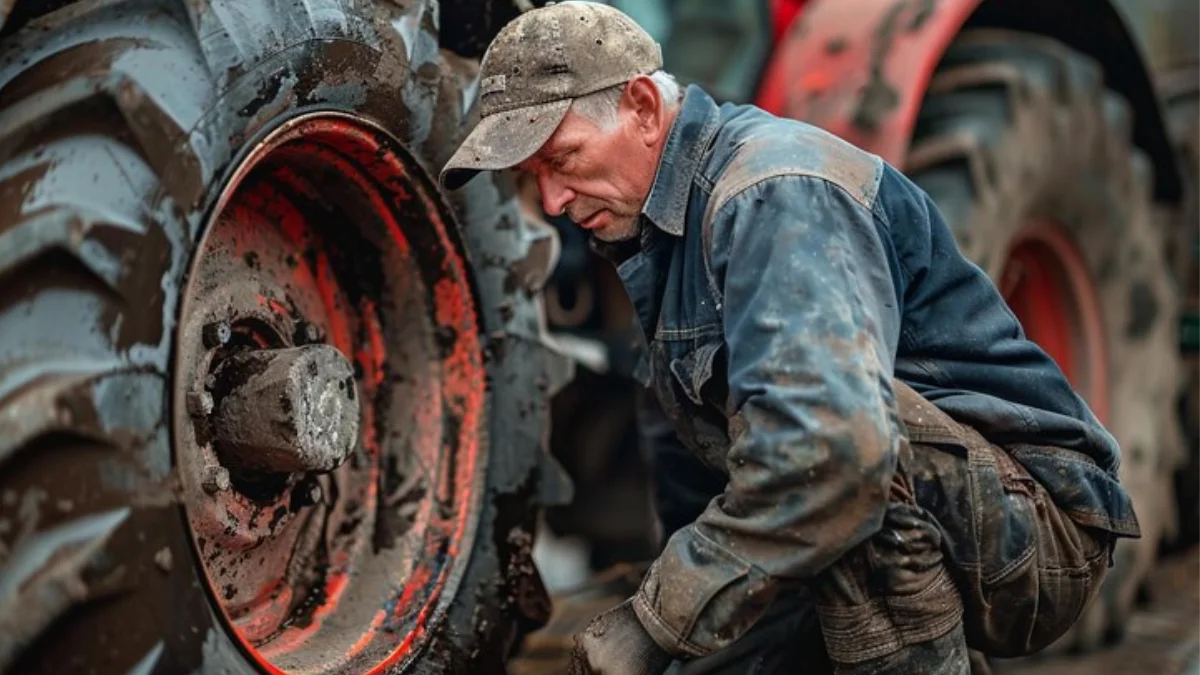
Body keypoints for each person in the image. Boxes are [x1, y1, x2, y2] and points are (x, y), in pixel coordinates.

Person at [438, 3, 1141, 673]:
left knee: (826, 452)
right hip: (884, 501)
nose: (554, 202)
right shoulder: (655, 243)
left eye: (562, 159)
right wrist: (679, 632)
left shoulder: (770, 192)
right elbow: (695, 476)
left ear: (643, 110)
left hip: (1038, 525)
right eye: (533, 179)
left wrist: (657, 618)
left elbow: (839, 453)